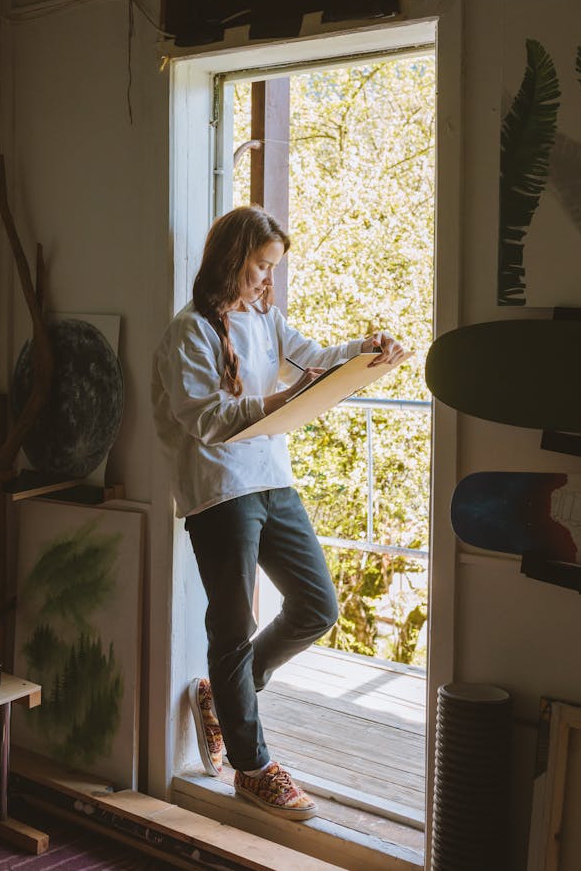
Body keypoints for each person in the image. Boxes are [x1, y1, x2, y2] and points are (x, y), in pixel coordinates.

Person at [151, 205, 406, 821]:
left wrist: (368, 351)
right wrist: (282, 396)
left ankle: (225, 695)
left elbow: (312, 357)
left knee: (318, 606)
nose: (269, 281)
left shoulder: (264, 317)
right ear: (232, 260)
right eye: (262, 267)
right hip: (220, 492)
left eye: (274, 269)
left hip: (272, 481)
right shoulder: (188, 334)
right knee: (233, 628)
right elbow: (208, 423)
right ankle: (252, 766)